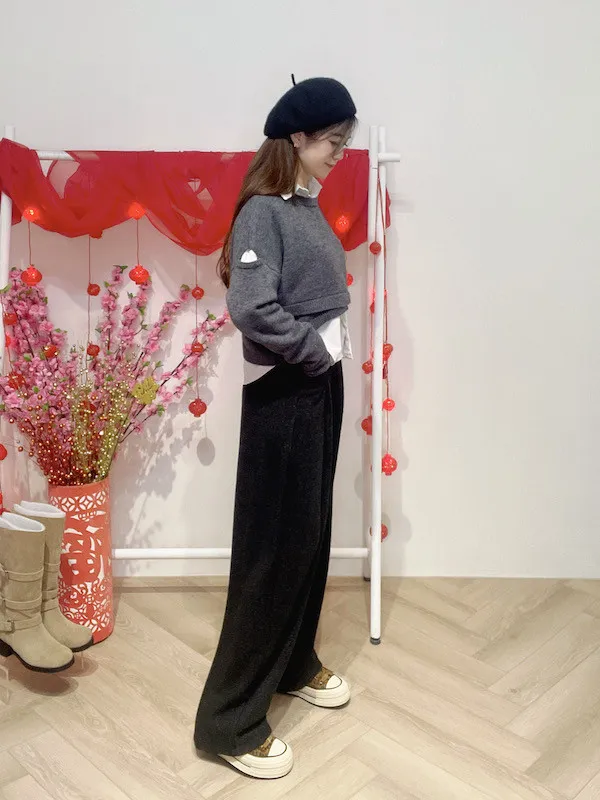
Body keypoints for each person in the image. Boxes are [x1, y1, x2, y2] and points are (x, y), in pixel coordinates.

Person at [194, 76, 357, 780]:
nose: (339, 154)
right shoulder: (264, 211)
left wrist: (325, 363)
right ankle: (228, 720)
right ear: (297, 136)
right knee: (273, 548)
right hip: (288, 390)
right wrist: (313, 352)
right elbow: (252, 307)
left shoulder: (303, 205)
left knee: (308, 535)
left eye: (344, 143)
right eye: (333, 142)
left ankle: (292, 662)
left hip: (318, 386)